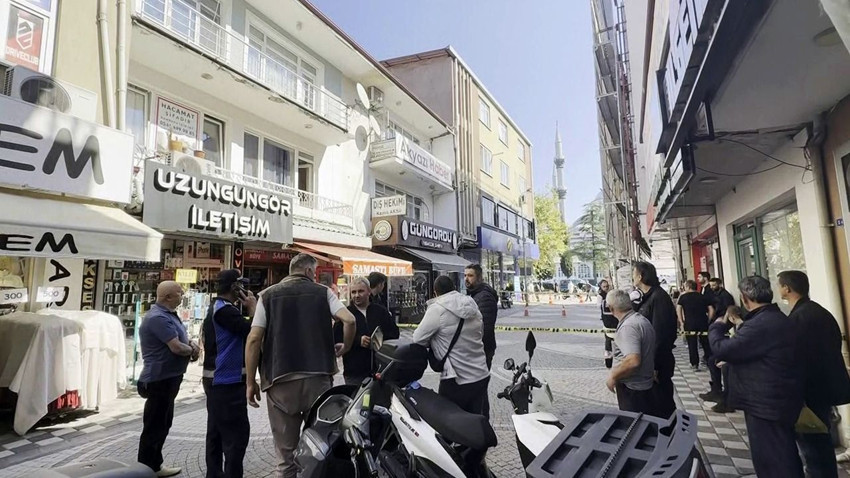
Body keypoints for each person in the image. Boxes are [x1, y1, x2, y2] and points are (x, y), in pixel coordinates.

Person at [245, 254, 356, 478]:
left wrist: (250, 382)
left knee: (285, 458)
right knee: (323, 447)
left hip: (280, 380)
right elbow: (350, 320)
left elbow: (254, 339)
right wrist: (345, 347)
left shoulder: (267, 296)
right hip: (319, 378)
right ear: (308, 272)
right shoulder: (323, 292)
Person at [709, 275, 804, 478]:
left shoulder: (762, 323)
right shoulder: (774, 318)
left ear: (744, 299)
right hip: (771, 400)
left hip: (767, 403)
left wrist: (717, 327)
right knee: (776, 454)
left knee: (775, 458)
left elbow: (723, 348)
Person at [780, 271, 850, 478]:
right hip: (823, 387)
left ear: (787, 289)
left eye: (780, 285)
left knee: (814, 445)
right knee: (820, 441)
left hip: (812, 391)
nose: (779, 289)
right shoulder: (817, 311)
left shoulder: (802, 317)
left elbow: (799, 356)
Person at [137, 281, 200, 477]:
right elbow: (176, 346)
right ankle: (146, 468)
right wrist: (193, 350)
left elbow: (181, 340)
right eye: (179, 294)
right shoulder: (158, 318)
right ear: (168, 297)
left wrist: (189, 343)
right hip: (159, 380)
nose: (182, 297)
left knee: (163, 423)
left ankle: (155, 465)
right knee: (154, 426)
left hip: (169, 378)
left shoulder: (168, 316)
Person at [201, 270, 257, 478]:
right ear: (235, 287)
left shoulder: (218, 308)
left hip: (217, 380)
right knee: (236, 437)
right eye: (241, 284)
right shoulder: (225, 311)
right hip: (227, 381)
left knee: (215, 433)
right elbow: (252, 332)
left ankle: (214, 474)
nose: (244, 288)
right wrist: (253, 309)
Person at [413, 275, 490, 416]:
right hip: (481, 374)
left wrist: (435, 340)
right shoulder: (472, 304)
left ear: (435, 292)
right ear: (454, 288)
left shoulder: (437, 309)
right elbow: (481, 333)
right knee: (475, 422)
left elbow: (418, 338)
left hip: (457, 379)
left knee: (448, 425)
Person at [632, 261, 678, 418]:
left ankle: (672, 437)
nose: (632, 276)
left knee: (663, 405)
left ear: (641, 276)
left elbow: (661, 334)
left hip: (658, 362)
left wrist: (655, 365)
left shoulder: (659, 297)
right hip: (649, 361)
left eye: (634, 273)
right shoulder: (647, 297)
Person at [334, 277, 399, 386]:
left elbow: (394, 334)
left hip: (380, 370)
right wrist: (357, 341)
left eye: (360, 291)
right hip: (354, 372)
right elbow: (336, 337)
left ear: (369, 291)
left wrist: (379, 341)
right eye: (353, 292)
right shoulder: (346, 314)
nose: (357, 295)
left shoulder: (380, 311)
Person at [605, 289, 658, 416]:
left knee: (634, 427)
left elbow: (632, 361)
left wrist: (613, 376)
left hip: (633, 390)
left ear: (611, 308)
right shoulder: (641, 320)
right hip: (643, 386)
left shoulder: (628, 327)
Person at [701, 278, 736, 406]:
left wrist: (723, 321)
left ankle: (724, 395)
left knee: (717, 361)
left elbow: (727, 309)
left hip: (722, 325)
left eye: (714, 285)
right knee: (712, 360)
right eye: (711, 285)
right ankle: (716, 389)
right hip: (717, 323)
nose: (712, 287)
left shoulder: (725, 296)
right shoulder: (712, 294)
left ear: (720, 284)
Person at [464, 264, 498, 369]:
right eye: (465, 275)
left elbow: (484, 328)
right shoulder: (475, 294)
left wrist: (474, 350)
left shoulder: (484, 297)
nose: (466, 279)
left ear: (479, 278)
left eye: (470, 276)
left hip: (481, 351)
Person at [675, 280, 714, 372]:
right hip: (703, 322)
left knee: (692, 344)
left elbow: (678, 309)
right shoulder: (702, 296)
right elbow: (711, 309)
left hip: (689, 323)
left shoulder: (683, 297)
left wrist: (681, 322)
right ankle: (709, 362)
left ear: (688, 287)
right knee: (706, 342)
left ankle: (694, 364)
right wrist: (709, 319)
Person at [598, 280, 618, 369]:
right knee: (608, 339)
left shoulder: (612, 294)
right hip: (607, 320)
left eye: (607, 286)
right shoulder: (600, 296)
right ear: (601, 287)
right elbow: (599, 306)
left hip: (615, 318)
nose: (606, 288)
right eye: (604, 287)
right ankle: (608, 359)